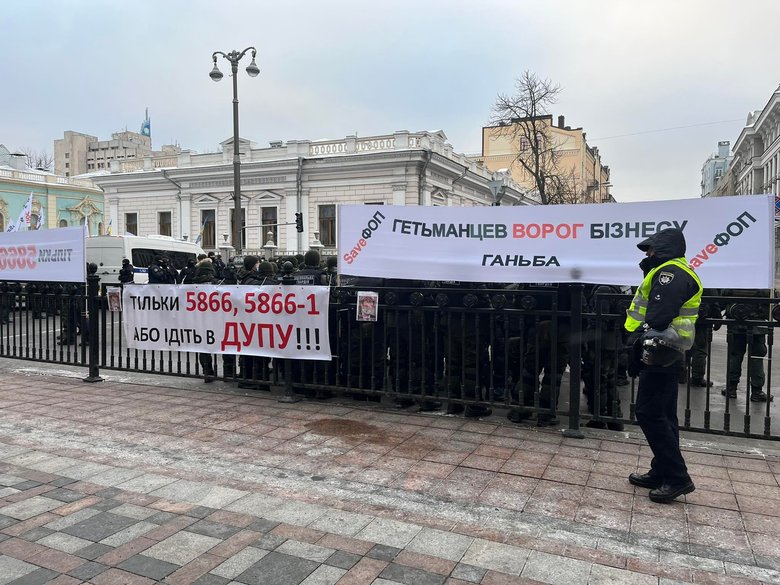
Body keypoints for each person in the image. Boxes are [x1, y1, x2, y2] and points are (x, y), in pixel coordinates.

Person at [625, 227, 701, 503]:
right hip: (667, 349)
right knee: (664, 414)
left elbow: (657, 316)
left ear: (664, 249)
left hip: (661, 349)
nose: (647, 253)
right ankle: (661, 470)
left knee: (649, 412)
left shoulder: (670, 274)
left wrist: (637, 339)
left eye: (651, 249)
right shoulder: (675, 270)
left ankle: (677, 477)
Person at [722, 288, 773, 402]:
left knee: (735, 356)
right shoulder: (762, 280)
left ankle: (731, 388)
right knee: (756, 358)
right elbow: (770, 298)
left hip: (736, 322)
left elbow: (724, 296)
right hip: (756, 324)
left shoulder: (736, 279)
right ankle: (756, 391)